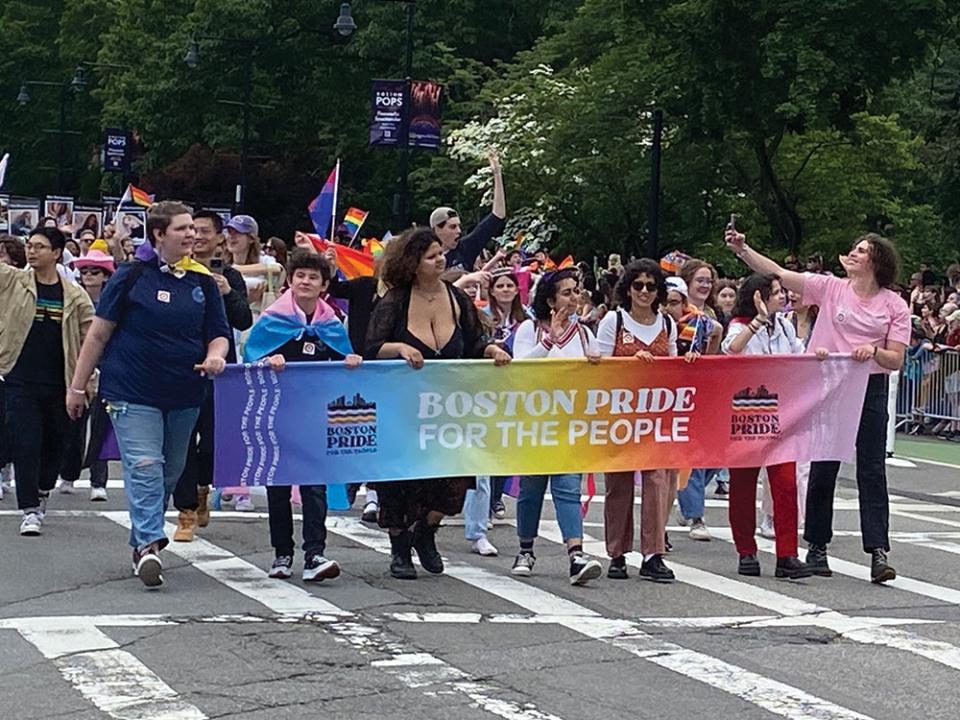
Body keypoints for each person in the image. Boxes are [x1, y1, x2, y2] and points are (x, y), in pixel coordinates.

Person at [726, 229, 909, 584]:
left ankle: (877, 550)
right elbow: (779, 273)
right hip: (828, 382)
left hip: (868, 385)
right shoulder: (831, 288)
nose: (853, 254)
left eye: (861, 251)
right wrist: (743, 249)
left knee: (872, 467)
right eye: (854, 248)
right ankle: (817, 545)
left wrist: (874, 351)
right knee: (824, 462)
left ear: (876, 261)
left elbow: (896, 358)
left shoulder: (893, 305)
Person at [67, 202, 231, 589]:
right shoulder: (130, 276)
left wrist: (215, 355)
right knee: (144, 466)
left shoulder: (203, 282)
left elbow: (219, 333)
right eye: (182, 228)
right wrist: (77, 386)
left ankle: (144, 536)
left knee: (170, 472)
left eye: (193, 228)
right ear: (159, 234)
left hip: (185, 392)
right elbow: (98, 334)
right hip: (131, 390)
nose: (192, 234)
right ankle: (147, 545)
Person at [364, 227, 511, 580]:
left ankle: (426, 532)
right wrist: (400, 348)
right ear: (413, 263)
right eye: (431, 257)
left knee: (453, 477)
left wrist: (492, 350)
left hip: (448, 407)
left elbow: (475, 341)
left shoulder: (456, 298)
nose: (439, 260)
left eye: (440, 254)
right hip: (401, 407)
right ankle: (400, 547)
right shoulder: (395, 301)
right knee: (399, 479)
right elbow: (371, 347)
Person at [245, 250, 359, 581]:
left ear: (324, 285)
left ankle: (314, 554)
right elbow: (249, 356)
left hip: (316, 417)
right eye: (300, 276)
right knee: (278, 486)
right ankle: (282, 554)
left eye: (313, 277)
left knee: (314, 487)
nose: (305, 282)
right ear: (290, 281)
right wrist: (267, 362)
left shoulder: (331, 323)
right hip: (277, 414)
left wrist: (350, 362)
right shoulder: (273, 319)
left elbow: (343, 360)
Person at [511, 268, 604, 585]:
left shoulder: (584, 333)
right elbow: (520, 367)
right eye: (566, 292)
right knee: (531, 488)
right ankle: (525, 549)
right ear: (550, 300)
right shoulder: (530, 329)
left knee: (567, 487)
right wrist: (550, 338)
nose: (574, 298)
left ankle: (576, 554)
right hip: (535, 422)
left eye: (576, 291)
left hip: (569, 423)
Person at [0, 226, 94, 535]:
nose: (32, 251)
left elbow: (91, 336)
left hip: (61, 382)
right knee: (25, 442)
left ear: (57, 253)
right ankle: (29, 510)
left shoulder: (75, 296)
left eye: (40, 246)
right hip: (19, 378)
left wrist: (86, 380)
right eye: (29, 245)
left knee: (55, 445)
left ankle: (42, 491)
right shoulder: (13, 281)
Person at [721, 273, 812, 579]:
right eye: (775, 292)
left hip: (781, 415)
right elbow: (732, 349)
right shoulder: (740, 325)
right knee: (743, 485)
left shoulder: (785, 325)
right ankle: (746, 550)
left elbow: (800, 356)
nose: (782, 296)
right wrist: (758, 321)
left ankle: (787, 554)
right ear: (758, 296)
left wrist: (819, 354)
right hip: (746, 415)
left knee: (785, 484)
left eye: (782, 291)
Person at [171, 209, 253, 540]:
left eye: (205, 231)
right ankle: (186, 511)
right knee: (182, 440)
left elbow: (244, 320)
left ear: (220, 238)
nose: (198, 236)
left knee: (213, 442)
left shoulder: (230, 276)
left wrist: (227, 293)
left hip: (221, 370)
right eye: (193, 229)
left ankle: (203, 486)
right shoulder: (176, 272)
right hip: (182, 366)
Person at [596, 259, 678, 582]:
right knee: (619, 485)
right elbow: (600, 367)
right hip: (620, 414)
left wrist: (687, 363)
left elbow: (672, 368)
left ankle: (653, 553)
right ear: (628, 288)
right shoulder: (613, 321)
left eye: (651, 286)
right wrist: (630, 362)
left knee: (657, 482)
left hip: (655, 415)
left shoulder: (667, 324)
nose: (644, 292)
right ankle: (617, 553)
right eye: (638, 285)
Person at [59, 242, 116, 500]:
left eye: (95, 271)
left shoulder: (114, 300)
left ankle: (98, 481)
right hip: (79, 365)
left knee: (102, 426)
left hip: (107, 368)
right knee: (75, 421)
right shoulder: (73, 298)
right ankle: (68, 474)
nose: (89, 275)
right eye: (85, 271)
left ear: (105, 275)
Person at [431, 148, 506, 273]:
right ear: (436, 230)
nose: (459, 231)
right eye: (452, 227)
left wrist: (497, 174)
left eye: (458, 226)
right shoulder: (422, 257)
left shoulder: (465, 248)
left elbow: (498, 216)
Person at [225, 214, 281, 315]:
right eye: (229, 232)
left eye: (238, 233)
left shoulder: (264, 260)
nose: (232, 236)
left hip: (260, 317)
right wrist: (248, 300)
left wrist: (236, 269)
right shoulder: (221, 263)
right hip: (234, 317)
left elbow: (277, 269)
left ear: (251, 239)